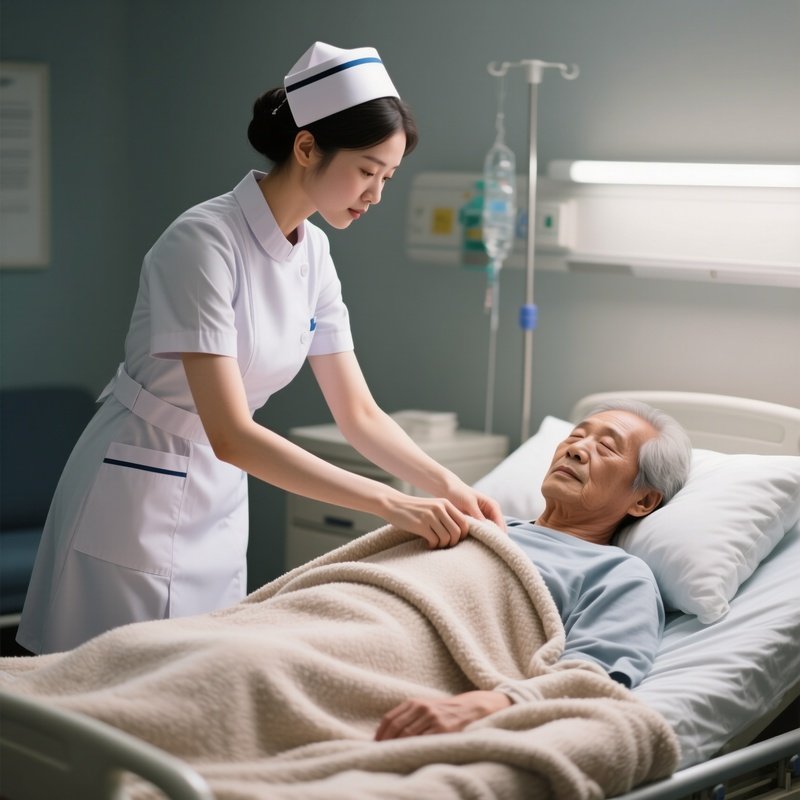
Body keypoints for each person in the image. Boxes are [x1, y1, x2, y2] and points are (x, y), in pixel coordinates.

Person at [17, 42, 503, 656]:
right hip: (139, 483)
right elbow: (232, 434)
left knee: (196, 680)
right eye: (366, 170)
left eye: (388, 177)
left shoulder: (315, 254)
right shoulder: (202, 243)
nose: (377, 194)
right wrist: (393, 503)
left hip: (217, 493)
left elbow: (358, 413)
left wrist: (442, 483)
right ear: (306, 147)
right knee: (105, 685)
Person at [374, 399, 692, 741]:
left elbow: (592, 677)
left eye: (605, 447)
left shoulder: (619, 574)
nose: (577, 450)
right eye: (575, 437)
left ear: (642, 501)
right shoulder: (477, 525)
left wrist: (497, 703)